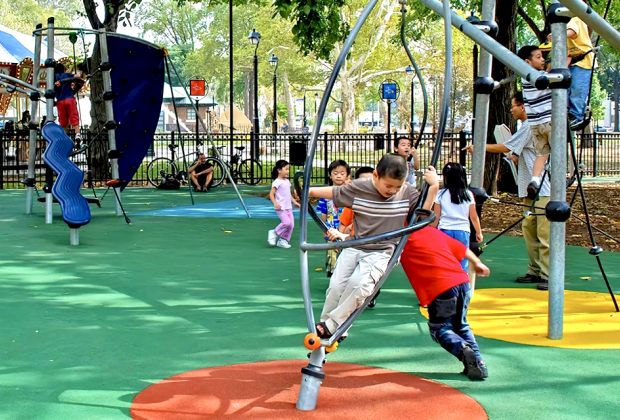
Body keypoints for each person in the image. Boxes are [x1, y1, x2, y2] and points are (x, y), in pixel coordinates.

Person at [309, 154, 439, 338]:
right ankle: (329, 326)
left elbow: (422, 217)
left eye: (397, 186)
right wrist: (309, 191)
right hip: (356, 244)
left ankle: (332, 326)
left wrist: (433, 187)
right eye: (388, 185)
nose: (392, 191)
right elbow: (335, 193)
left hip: (383, 250)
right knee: (336, 287)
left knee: (360, 286)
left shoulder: (407, 192)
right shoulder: (360, 187)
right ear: (376, 175)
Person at [462, 91, 550, 290]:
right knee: (530, 231)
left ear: (524, 107)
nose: (511, 109)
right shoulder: (527, 127)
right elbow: (520, 150)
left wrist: (479, 147)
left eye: (514, 105)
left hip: (544, 190)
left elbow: (505, 146)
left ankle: (548, 274)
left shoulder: (531, 125)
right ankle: (535, 270)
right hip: (529, 190)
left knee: (544, 233)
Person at [400, 226, 490, 380]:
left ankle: (463, 349)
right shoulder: (431, 231)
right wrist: (477, 262)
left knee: (440, 329)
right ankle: (479, 364)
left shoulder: (400, 238)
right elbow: (461, 248)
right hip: (462, 283)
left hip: (441, 288)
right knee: (461, 325)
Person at [432, 162, 483, 273]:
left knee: (445, 259)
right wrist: (478, 232)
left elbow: (436, 216)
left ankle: (448, 284)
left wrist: (432, 229)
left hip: (445, 230)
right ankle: (462, 284)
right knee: (462, 259)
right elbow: (474, 216)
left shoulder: (440, 194)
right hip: (463, 231)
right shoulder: (468, 194)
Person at [517, 46, 552, 200]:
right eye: (538, 57)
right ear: (527, 62)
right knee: (558, 151)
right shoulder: (540, 77)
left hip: (536, 124)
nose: (543, 59)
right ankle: (559, 178)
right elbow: (556, 76)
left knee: (542, 154)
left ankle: (535, 179)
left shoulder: (525, 78)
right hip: (550, 121)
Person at [317, 160, 350, 277]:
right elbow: (323, 214)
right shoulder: (326, 195)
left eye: (342, 173)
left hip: (346, 231)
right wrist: (324, 229)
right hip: (331, 230)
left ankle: (343, 276)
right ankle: (333, 275)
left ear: (347, 175)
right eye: (335, 173)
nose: (339, 176)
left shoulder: (350, 193)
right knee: (332, 255)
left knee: (346, 255)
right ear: (330, 175)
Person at [268, 160, 300, 248]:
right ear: (279, 170)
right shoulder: (277, 182)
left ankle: (283, 240)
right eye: (286, 169)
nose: (288, 171)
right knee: (286, 222)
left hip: (288, 207)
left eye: (288, 169)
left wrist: (295, 202)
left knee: (291, 225)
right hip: (281, 208)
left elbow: (288, 194)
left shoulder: (287, 181)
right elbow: (271, 194)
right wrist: (275, 203)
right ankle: (274, 232)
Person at [53, 63, 82, 138]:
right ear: (64, 69)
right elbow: (77, 77)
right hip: (69, 98)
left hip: (60, 101)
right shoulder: (67, 75)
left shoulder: (54, 77)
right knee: (74, 115)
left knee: (62, 121)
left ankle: (64, 136)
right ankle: (78, 134)